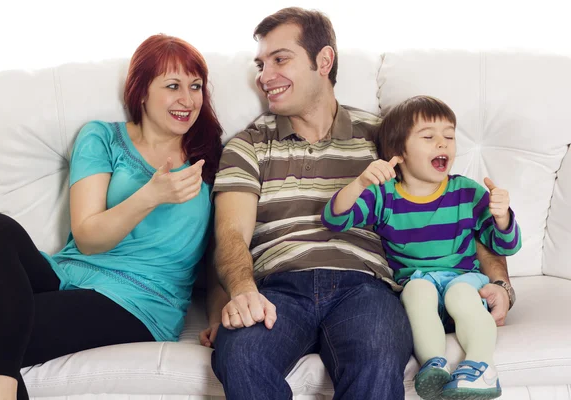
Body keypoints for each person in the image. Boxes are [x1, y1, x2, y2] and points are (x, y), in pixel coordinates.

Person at [199, 7, 513, 400]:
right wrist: (243, 290)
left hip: (366, 287)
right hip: (276, 288)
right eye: (260, 64)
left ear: (324, 60)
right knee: (240, 356)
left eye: (280, 59)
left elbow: (454, 206)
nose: (264, 76)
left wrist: (500, 284)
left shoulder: (384, 137)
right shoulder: (247, 145)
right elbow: (229, 234)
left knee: (377, 357)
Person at [0, 34, 223, 400]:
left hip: (141, 300)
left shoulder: (212, 159)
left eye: (196, 86)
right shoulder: (102, 137)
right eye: (173, 86)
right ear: (140, 92)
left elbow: (219, 256)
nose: (188, 100)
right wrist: (150, 196)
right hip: (66, 274)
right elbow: (88, 238)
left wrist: (218, 318)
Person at [321, 95, 521, 400]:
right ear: (399, 151)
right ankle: (433, 364)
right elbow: (335, 219)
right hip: (418, 289)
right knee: (416, 291)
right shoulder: (385, 196)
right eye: (428, 137)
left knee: (461, 294)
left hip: (462, 280)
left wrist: (502, 216)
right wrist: (360, 183)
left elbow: (505, 244)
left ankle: (481, 366)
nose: (442, 144)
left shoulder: (468, 193)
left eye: (449, 136)